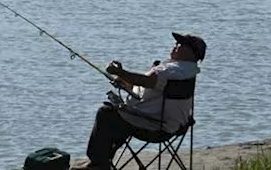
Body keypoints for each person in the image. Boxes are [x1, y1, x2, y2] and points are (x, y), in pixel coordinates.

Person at [73, 32, 206, 170]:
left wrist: (120, 72)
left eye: (181, 44)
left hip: (155, 127)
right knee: (119, 115)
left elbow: (146, 81)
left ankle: (98, 164)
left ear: (192, 52)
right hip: (174, 125)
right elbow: (148, 89)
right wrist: (126, 83)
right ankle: (102, 162)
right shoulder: (189, 72)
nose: (175, 45)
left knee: (106, 113)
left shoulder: (172, 70)